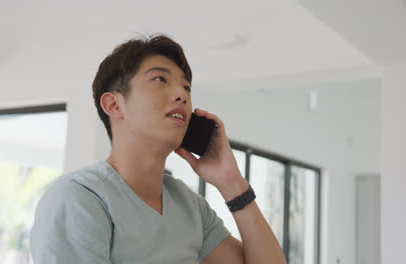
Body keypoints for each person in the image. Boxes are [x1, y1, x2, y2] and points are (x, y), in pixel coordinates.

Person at [30, 34, 286, 264]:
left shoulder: (190, 207)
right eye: (160, 79)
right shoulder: (78, 199)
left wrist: (232, 184)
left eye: (186, 87)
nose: (181, 94)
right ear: (114, 105)